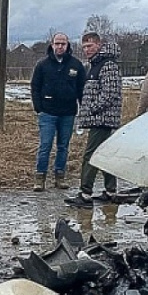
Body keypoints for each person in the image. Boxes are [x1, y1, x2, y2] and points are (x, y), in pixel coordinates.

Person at [65, 32, 122, 208]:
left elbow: (110, 93)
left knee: (90, 155)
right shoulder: (95, 66)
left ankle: (85, 193)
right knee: (105, 154)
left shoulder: (108, 65)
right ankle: (110, 191)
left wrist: (91, 109)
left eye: (89, 46)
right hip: (99, 118)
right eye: (84, 47)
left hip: (103, 119)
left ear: (99, 45)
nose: (86, 50)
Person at [30, 32, 86, 191]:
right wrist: (38, 107)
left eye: (63, 43)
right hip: (47, 113)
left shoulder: (76, 65)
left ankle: (59, 177)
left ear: (68, 45)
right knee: (45, 145)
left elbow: (82, 89)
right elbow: (35, 87)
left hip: (68, 113)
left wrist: (83, 109)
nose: (60, 46)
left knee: (63, 146)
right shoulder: (42, 65)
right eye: (57, 43)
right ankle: (40, 178)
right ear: (52, 44)